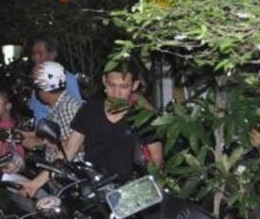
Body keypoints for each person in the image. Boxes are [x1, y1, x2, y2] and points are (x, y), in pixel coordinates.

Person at [19, 59, 163, 198]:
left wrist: (142, 194)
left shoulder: (141, 117)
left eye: (124, 87)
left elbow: (157, 161)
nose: (117, 93)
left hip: (128, 191)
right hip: (92, 191)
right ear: (104, 81)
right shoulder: (90, 109)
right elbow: (69, 151)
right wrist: (35, 184)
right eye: (112, 85)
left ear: (134, 85)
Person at [21, 61, 82, 166]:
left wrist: (42, 143)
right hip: (57, 167)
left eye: (37, 88)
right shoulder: (58, 106)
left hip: (68, 170)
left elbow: (78, 146)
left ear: (44, 89)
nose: (36, 93)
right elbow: (60, 138)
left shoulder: (67, 107)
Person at [26, 34, 82, 121]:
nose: (36, 58)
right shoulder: (38, 78)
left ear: (53, 54)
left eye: (40, 53)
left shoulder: (67, 78)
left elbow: (76, 113)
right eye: (33, 54)